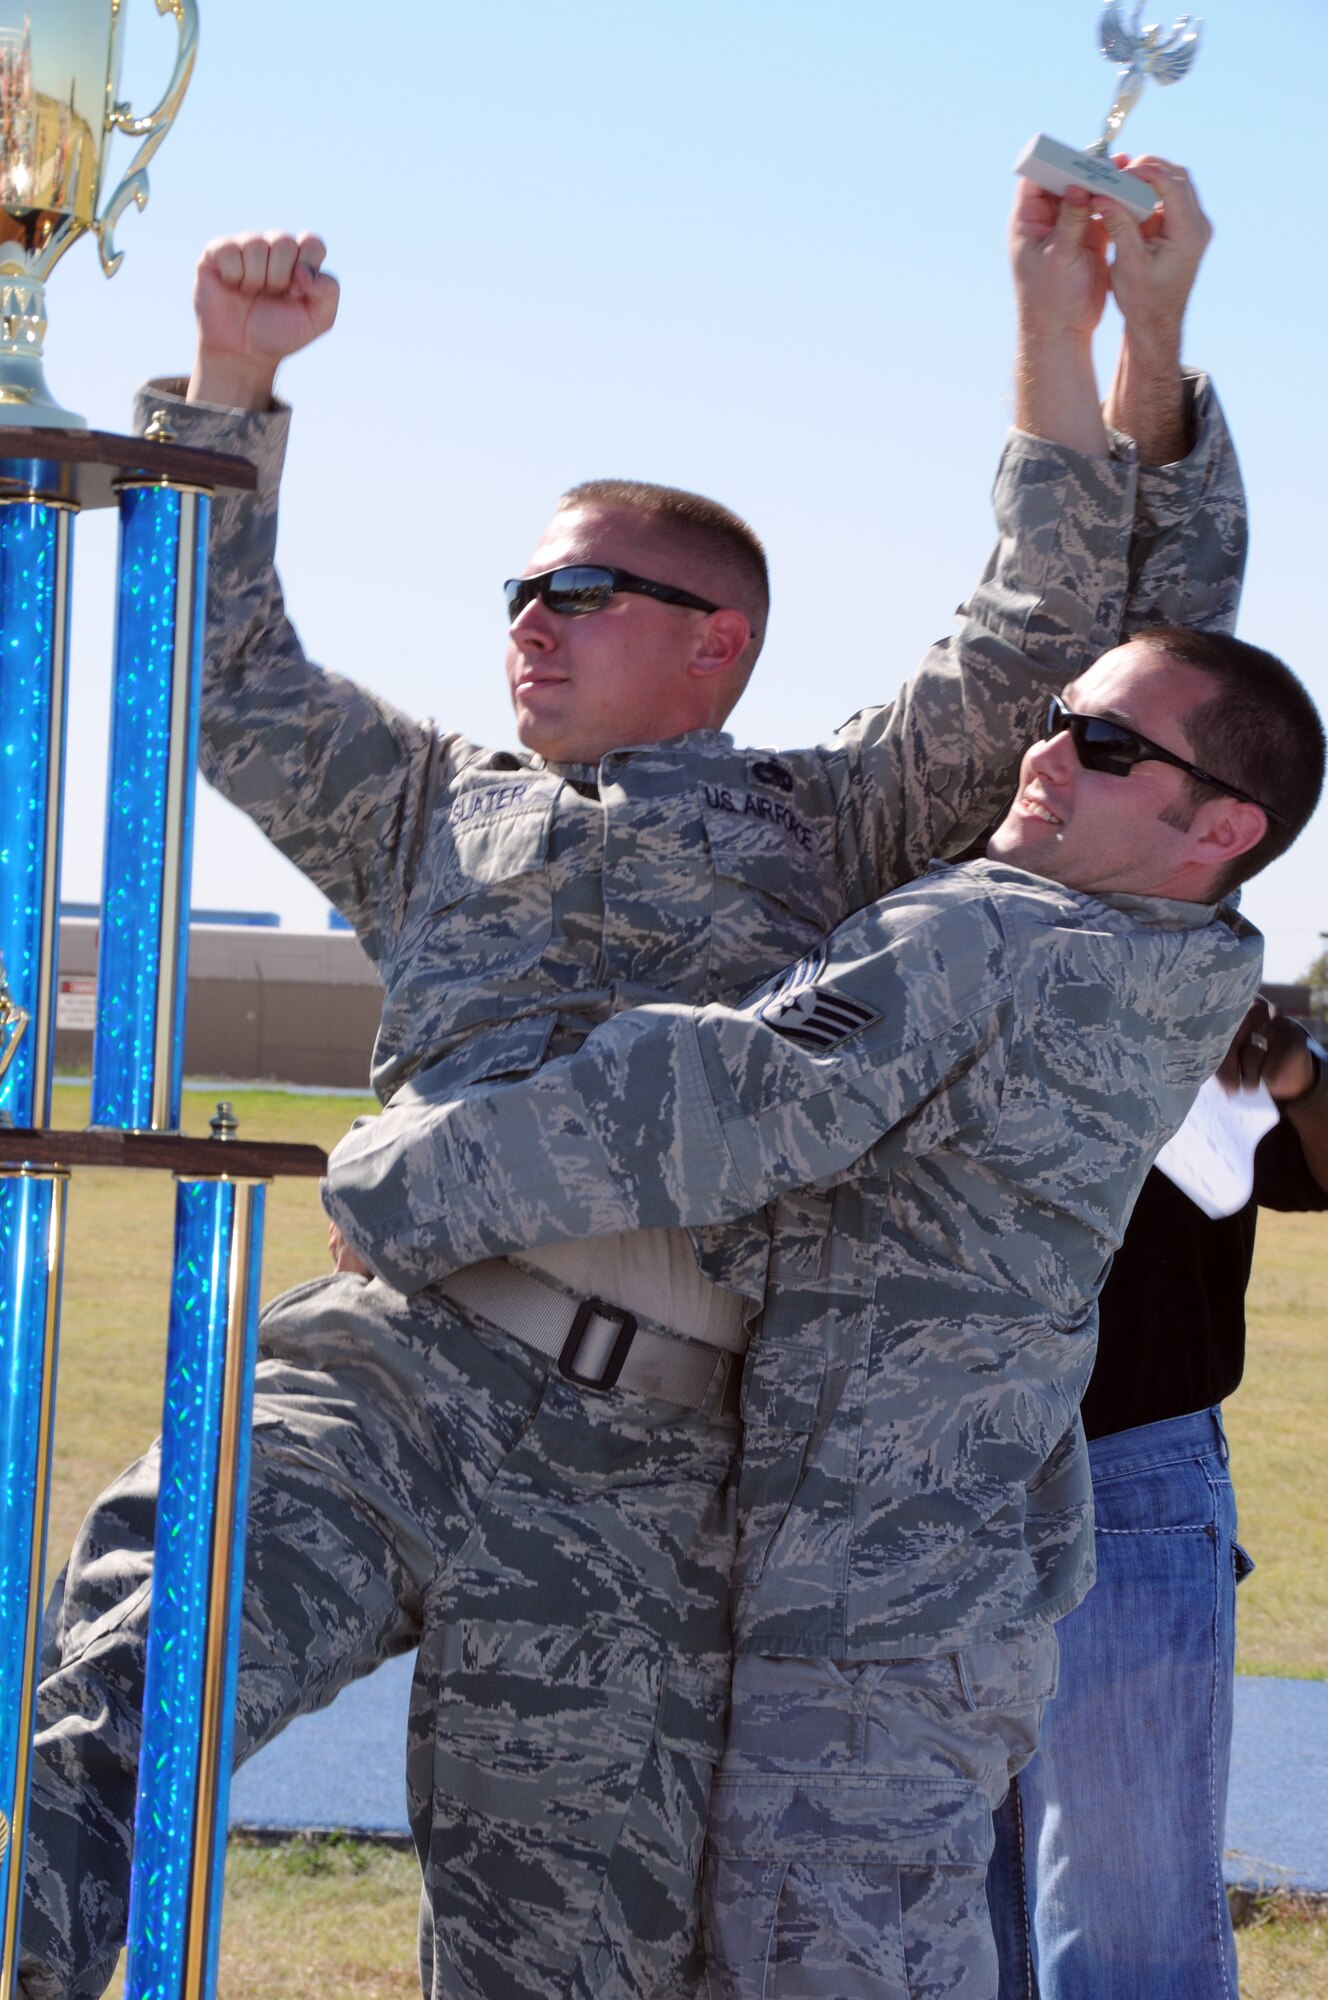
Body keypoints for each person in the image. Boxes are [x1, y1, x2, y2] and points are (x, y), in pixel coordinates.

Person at [20, 165, 1237, 2000]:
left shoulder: (840, 825)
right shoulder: (430, 802)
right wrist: (233, 384)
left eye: (580, 588)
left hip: (652, 1484)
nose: (528, 616)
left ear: (714, 638)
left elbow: (1029, 624)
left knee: (564, 1961)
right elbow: (225, 673)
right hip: (388, 1372)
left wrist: (1052, 319)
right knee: (120, 1695)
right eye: (519, 585)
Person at [322, 627, 1325, 2000]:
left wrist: (407, 1170)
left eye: (1105, 747)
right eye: (1053, 718)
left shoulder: (1003, 934)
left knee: (934, 1945)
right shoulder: (1160, 947)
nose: (1040, 756)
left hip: (932, 1562)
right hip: (915, 1552)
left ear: (1224, 824)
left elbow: (733, 1101)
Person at [986, 997, 1328, 2000]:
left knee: (1122, 1918)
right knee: (937, 1918)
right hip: (919, 1481)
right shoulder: (908, 913)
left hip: (1125, 1467)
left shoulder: (1185, 960)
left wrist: (1294, 1071)